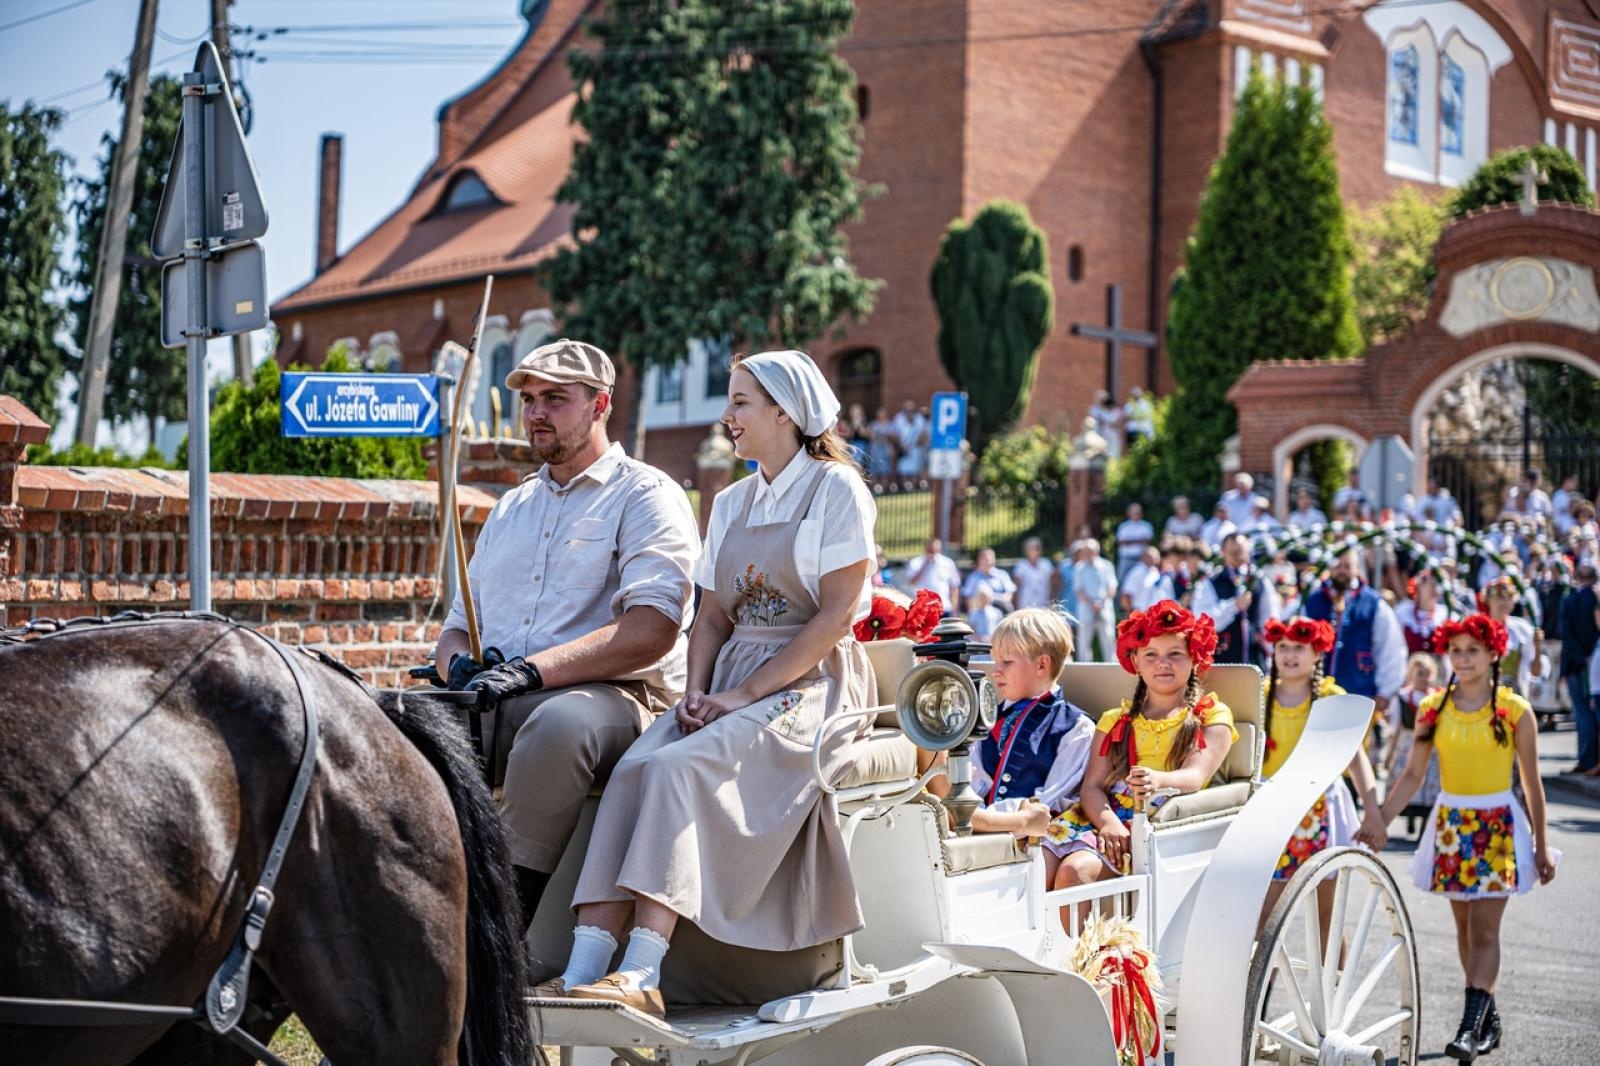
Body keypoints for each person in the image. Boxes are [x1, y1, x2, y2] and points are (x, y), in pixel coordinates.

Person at [547, 350, 878, 1016]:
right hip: (729, 679)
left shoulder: (837, 490)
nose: (726, 416)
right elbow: (711, 617)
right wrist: (696, 692)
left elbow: (837, 616)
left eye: (740, 402)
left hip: (809, 683)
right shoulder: (730, 501)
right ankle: (583, 971)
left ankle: (641, 975)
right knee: (637, 766)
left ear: (785, 411)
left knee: (678, 770)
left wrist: (744, 695)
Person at [439, 339, 700, 930]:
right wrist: (458, 667)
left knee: (558, 725)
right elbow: (457, 628)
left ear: (600, 405)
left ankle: (500, 930)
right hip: (495, 699)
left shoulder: (646, 494)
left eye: (555, 399)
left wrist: (532, 672)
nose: (535, 413)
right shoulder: (510, 508)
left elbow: (651, 630)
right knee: (399, 722)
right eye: (529, 400)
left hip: (617, 700)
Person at [1381, 615, 1558, 1061]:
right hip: (1451, 826)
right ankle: (1488, 1019)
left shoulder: (1514, 709)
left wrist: (1540, 843)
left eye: (1472, 650)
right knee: (1463, 928)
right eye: (1456, 650)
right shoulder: (1433, 708)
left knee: (1484, 930)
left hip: (1497, 827)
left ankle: (1467, 1027)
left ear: (1494, 654)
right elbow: (1412, 774)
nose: (1462, 659)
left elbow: (1532, 781)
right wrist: (1379, 821)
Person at [1045, 601, 1235, 925]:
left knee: (1074, 872)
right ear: (1136, 661)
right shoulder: (1114, 720)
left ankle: (1074, 966)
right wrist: (1107, 823)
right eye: (1151, 654)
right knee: (1035, 863)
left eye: (1175, 654)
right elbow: (1091, 787)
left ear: (1194, 658)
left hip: (1152, 825)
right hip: (1103, 819)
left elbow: (1195, 775)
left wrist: (1158, 780)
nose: (1163, 663)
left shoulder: (1209, 716)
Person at [921, 609, 1096, 888]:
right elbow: (974, 780)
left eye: (1007, 662)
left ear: (1042, 665)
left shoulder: (1076, 728)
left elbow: (1051, 802)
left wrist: (993, 820)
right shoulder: (985, 719)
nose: (996, 670)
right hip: (988, 829)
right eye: (994, 660)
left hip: (1038, 840)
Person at [1258, 618, 1386, 901]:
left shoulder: (1331, 696)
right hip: (1270, 808)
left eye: (1299, 647)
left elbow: (1356, 759)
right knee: (1267, 910)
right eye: (1283, 647)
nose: (1289, 655)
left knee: (1325, 913)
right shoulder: (1260, 694)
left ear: (1317, 653)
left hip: (1320, 808)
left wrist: (1373, 813)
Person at [1303, 547, 1407, 728]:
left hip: (1359, 691)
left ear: (1357, 568)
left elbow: (1391, 648)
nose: (1342, 570)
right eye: (1337, 566)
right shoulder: (1313, 601)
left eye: (1347, 566)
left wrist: (1385, 691)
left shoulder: (1374, 603)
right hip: (1314, 694)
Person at [1192, 532, 1278, 668]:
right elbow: (1204, 620)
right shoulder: (1211, 582)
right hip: (1222, 657)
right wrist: (1234, 606)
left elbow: (1269, 617)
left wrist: (1271, 651)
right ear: (1223, 552)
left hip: (1254, 657)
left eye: (1240, 551)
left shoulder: (1259, 580)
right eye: (1232, 552)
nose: (1236, 556)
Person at [1385, 653, 1443, 830]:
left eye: (1427, 674)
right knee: (1408, 777)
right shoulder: (1402, 698)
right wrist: (1389, 755)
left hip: (1430, 745)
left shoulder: (1438, 698)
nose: (1424, 678)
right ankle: (1409, 815)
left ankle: (1424, 822)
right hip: (1407, 743)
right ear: (1411, 674)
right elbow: (1395, 728)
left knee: (1429, 786)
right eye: (1420, 674)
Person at [1556, 564, 1599, 774]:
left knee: (1584, 714)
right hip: (1590, 661)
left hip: (1580, 664)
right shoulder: (1592, 599)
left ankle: (1588, 759)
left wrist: (1568, 666)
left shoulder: (1572, 601)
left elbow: (1567, 637)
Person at [1481, 576, 1544, 698]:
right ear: (1488, 599)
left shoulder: (1523, 629)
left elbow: (1536, 673)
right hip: (1482, 697)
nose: (1505, 602)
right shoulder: (1478, 628)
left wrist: (1538, 646)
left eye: (1509, 597)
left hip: (1514, 697)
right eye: (1500, 597)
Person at [1071, 539, 1118, 663]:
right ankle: (1083, 670)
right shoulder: (1079, 568)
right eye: (1085, 551)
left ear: (1096, 552)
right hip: (1086, 610)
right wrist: (1092, 603)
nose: (1087, 554)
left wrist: (1100, 602)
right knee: (1084, 644)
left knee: (1108, 641)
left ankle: (1111, 667)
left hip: (1104, 608)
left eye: (1089, 551)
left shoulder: (1107, 566)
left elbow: (1112, 587)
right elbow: (1078, 590)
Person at [963, 547, 1017, 639]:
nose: (987, 560)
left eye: (990, 557)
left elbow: (1009, 596)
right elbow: (968, 599)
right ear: (979, 560)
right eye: (984, 557)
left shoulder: (1002, 575)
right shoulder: (973, 578)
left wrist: (991, 598)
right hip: (979, 613)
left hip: (1000, 613)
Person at [1396, 571, 1449, 656]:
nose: (1434, 588)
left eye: (1436, 584)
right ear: (1418, 587)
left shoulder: (1444, 614)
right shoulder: (1403, 611)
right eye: (1429, 583)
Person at [905, 538, 962, 614]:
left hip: (943, 608)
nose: (933, 550)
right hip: (922, 609)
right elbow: (911, 582)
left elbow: (954, 587)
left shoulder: (948, 563)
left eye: (936, 546)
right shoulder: (916, 562)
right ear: (925, 547)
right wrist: (925, 565)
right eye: (930, 547)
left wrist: (954, 610)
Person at [1119, 545, 1173, 613]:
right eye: (1151, 556)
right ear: (1143, 557)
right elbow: (1126, 595)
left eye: (1156, 556)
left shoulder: (1154, 571)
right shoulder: (1137, 572)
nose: (1155, 558)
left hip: (1152, 614)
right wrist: (1130, 613)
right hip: (1139, 613)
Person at [1012, 536, 1058, 611]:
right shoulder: (1021, 565)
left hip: (1043, 603)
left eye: (1036, 548)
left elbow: (1052, 585)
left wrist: (1051, 602)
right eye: (1031, 547)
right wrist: (1017, 605)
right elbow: (1017, 587)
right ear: (1026, 550)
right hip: (1025, 604)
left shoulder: (1046, 564)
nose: (1034, 550)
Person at [1114, 502, 1155, 582]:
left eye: (1138, 512)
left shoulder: (1146, 526)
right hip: (1126, 558)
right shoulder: (1124, 526)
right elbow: (1121, 541)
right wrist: (1139, 540)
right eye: (1134, 513)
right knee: (1122, 580)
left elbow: (1147, 540)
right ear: (1129, 513)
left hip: (1141, 558)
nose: (1136, 514)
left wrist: (1129, 541)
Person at [892, 400, 927, 486]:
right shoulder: (898, 419)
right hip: (904, 449)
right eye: (907, 410)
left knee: (915, 470)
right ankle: (905, 488)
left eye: (911, 410)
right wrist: (901, 445)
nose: (909, 412)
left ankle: (913, 488)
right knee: (904, 470)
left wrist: (919, 442)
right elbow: (894, 434)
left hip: (916, 449)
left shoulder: (919, 419)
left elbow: (924, 434)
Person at [867, 405, 897, 486]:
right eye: (880, 414)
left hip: (886, 450)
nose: (881, 416)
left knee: (885, 471)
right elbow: (870, 436)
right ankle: (875, 488)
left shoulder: (890, 425)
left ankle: (884, 488)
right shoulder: (874, 424)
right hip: (876, 450)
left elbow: (893, 437)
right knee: (874, 470)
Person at [1090, 391, 1123, 459]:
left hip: (1111, 436)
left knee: (1113, 454)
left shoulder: (1114, 411)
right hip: (1099, 435)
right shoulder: (1095, 409)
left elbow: (1119, 424)